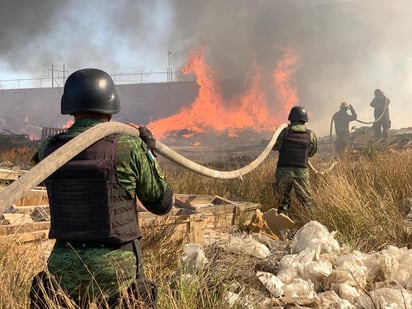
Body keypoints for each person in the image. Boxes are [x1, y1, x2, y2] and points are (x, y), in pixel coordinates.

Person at [29, 68, 173, 308]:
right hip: (118, 269)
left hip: (64, 267)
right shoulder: (128, 145)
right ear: (110, 104)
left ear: (70, 106)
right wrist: (149, 152)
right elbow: (162, 203)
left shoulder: (48, 149)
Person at [272, 106, 317, 216]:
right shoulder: (310, 134)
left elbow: (275, 147)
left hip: (283, 171)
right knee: (306, 202)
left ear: (291, 118)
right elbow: (312, 152)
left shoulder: (283, 132)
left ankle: (282, 225)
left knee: (282, 201)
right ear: (305, 120)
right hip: (301, 172)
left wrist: (277, 133)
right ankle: (311, 223)